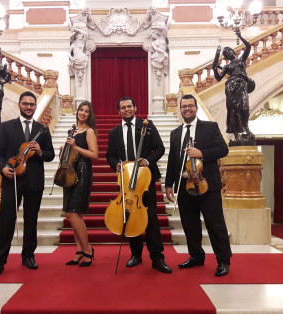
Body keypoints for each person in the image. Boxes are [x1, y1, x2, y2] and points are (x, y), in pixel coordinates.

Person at [165, 94, 232, 277]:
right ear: (180, 109)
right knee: (189, 224)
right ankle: (196, 256)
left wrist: (201, 152)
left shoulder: (210, 127)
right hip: (185, 184)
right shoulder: (175, 133)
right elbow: (173, 159)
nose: (187, 109)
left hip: (207, 184)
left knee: (215, 223)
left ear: (196, 108)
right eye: (184, 106)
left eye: (190, 106)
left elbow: (223, 149)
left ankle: (223, 260)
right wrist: (169, 183)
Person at [0, 91, 55, 276]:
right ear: (19, 105)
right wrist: (2, 168)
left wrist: (41, 151)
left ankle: (28, 256)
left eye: (32, 104)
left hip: (34, 181)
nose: (29, 107)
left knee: (31, 221)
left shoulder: (43, 129)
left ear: (35, 107)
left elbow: (50, 155)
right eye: (25, 104)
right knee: (6, 221)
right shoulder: (6, 127)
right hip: (12, 180)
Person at [105, 97, 172, 273]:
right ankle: (136, 254)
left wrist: (147, 161)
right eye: (123, 108)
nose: (127, 110)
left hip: (145, 180)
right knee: (130, 216)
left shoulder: (147, 126)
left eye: (129, 106)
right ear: (118, 111)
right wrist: (115, 165)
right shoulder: (114, 133)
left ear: (135, 107)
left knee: (151, 219)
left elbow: (160, 148)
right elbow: (109, 155)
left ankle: (157, 257)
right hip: (126, 180)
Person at [62, 101, 99, 267]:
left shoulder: (89, 131)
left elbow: (95, 154)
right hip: (69, 172)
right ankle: (79, 251)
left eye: (86, 111)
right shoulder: (73, 130)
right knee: (73, 214)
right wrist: (64, 149)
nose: (83, 113)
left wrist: (75, 146)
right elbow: (71, 153)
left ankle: (88, 249)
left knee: (72, 214)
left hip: (83, 173)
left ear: (90, 115)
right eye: (81, 110)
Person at [212, 29, 255, 146]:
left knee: (244, 107)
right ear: (225, 56)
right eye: (226, 53)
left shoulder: (241, 59)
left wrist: (240, 36)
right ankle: (236, 135)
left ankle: (247, 129)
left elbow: (248, 46)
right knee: (233, 110)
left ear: (233, 51)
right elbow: (218, 78)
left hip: (242, 84)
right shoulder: (226, 66)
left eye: (229, 51)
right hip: (231, 87)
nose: (228, 53)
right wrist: (214, 68)